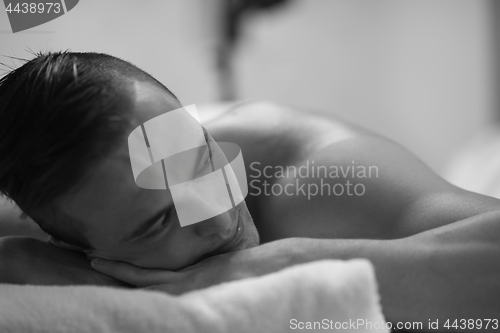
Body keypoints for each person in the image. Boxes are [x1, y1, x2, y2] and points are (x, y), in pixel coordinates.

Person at [0, 51, 499, 328]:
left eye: (204, 160)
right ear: (72, 247)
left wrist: (283, 265)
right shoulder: (54, 205)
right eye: (159, 221)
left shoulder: (307, 171)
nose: (219, 218)